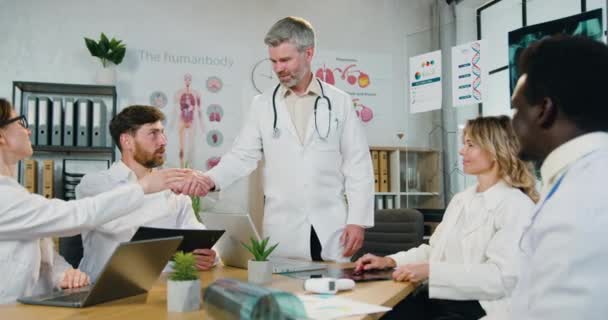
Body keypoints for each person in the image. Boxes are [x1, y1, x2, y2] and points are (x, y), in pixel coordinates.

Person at [186, 17, 374, 262]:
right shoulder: (262, 105)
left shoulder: (340, 102)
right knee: (285, 294)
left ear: (309, 53)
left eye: (285, 60)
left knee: (333, 294)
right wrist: (209, 180)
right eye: (273, 61)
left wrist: (357, 220)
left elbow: (357, 164)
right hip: (282, 228)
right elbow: (242, 156)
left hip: (331, 225)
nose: (278, 68)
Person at [0, 98, 186, 303]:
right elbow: (77, 216)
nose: (29, 130)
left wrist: (62, 273)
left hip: (35, 307)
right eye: (21, 122)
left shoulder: (13, 192)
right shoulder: (4, 198)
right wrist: (144, 187)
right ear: (1, 135)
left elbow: (43, 253)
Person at [355, 116, 538, 319]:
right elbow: (434, 250)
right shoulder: (462, 200)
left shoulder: (516, 206)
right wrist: (389, 261)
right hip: (440, 298)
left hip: (482, 308)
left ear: (495, 150)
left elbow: (501, 278)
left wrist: (432, 271)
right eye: (464, 144)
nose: (462, 151)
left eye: (471, 144)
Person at [510, 35, 608, 319]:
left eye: (517, 109)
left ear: (544, 110)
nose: (512, 122)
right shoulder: (579, 180)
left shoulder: (584, 201)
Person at [76, 105, 217, 282]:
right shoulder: (95, 184)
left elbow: (199, 235)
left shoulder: (174, 190)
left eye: (163, 133)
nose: (163, 141)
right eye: (153, 133)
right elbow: (116, 227)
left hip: (163, 290)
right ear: (127, 141)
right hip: (105, 291)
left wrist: (209, 255)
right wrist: (149, 185)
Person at [173, 73, 203, 168]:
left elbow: (199, 110)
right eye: (186, 79)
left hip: (192, 120)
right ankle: (181, 167)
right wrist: (171, 124)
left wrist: (202, 125)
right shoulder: (178, 93)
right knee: (181, 146)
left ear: (191, 80)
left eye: (189, 79)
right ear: (183, 80)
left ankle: (190, 169)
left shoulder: (196, 93)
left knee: (191, 146)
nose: (187, 81)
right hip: (182, 119)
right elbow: (175, 109)